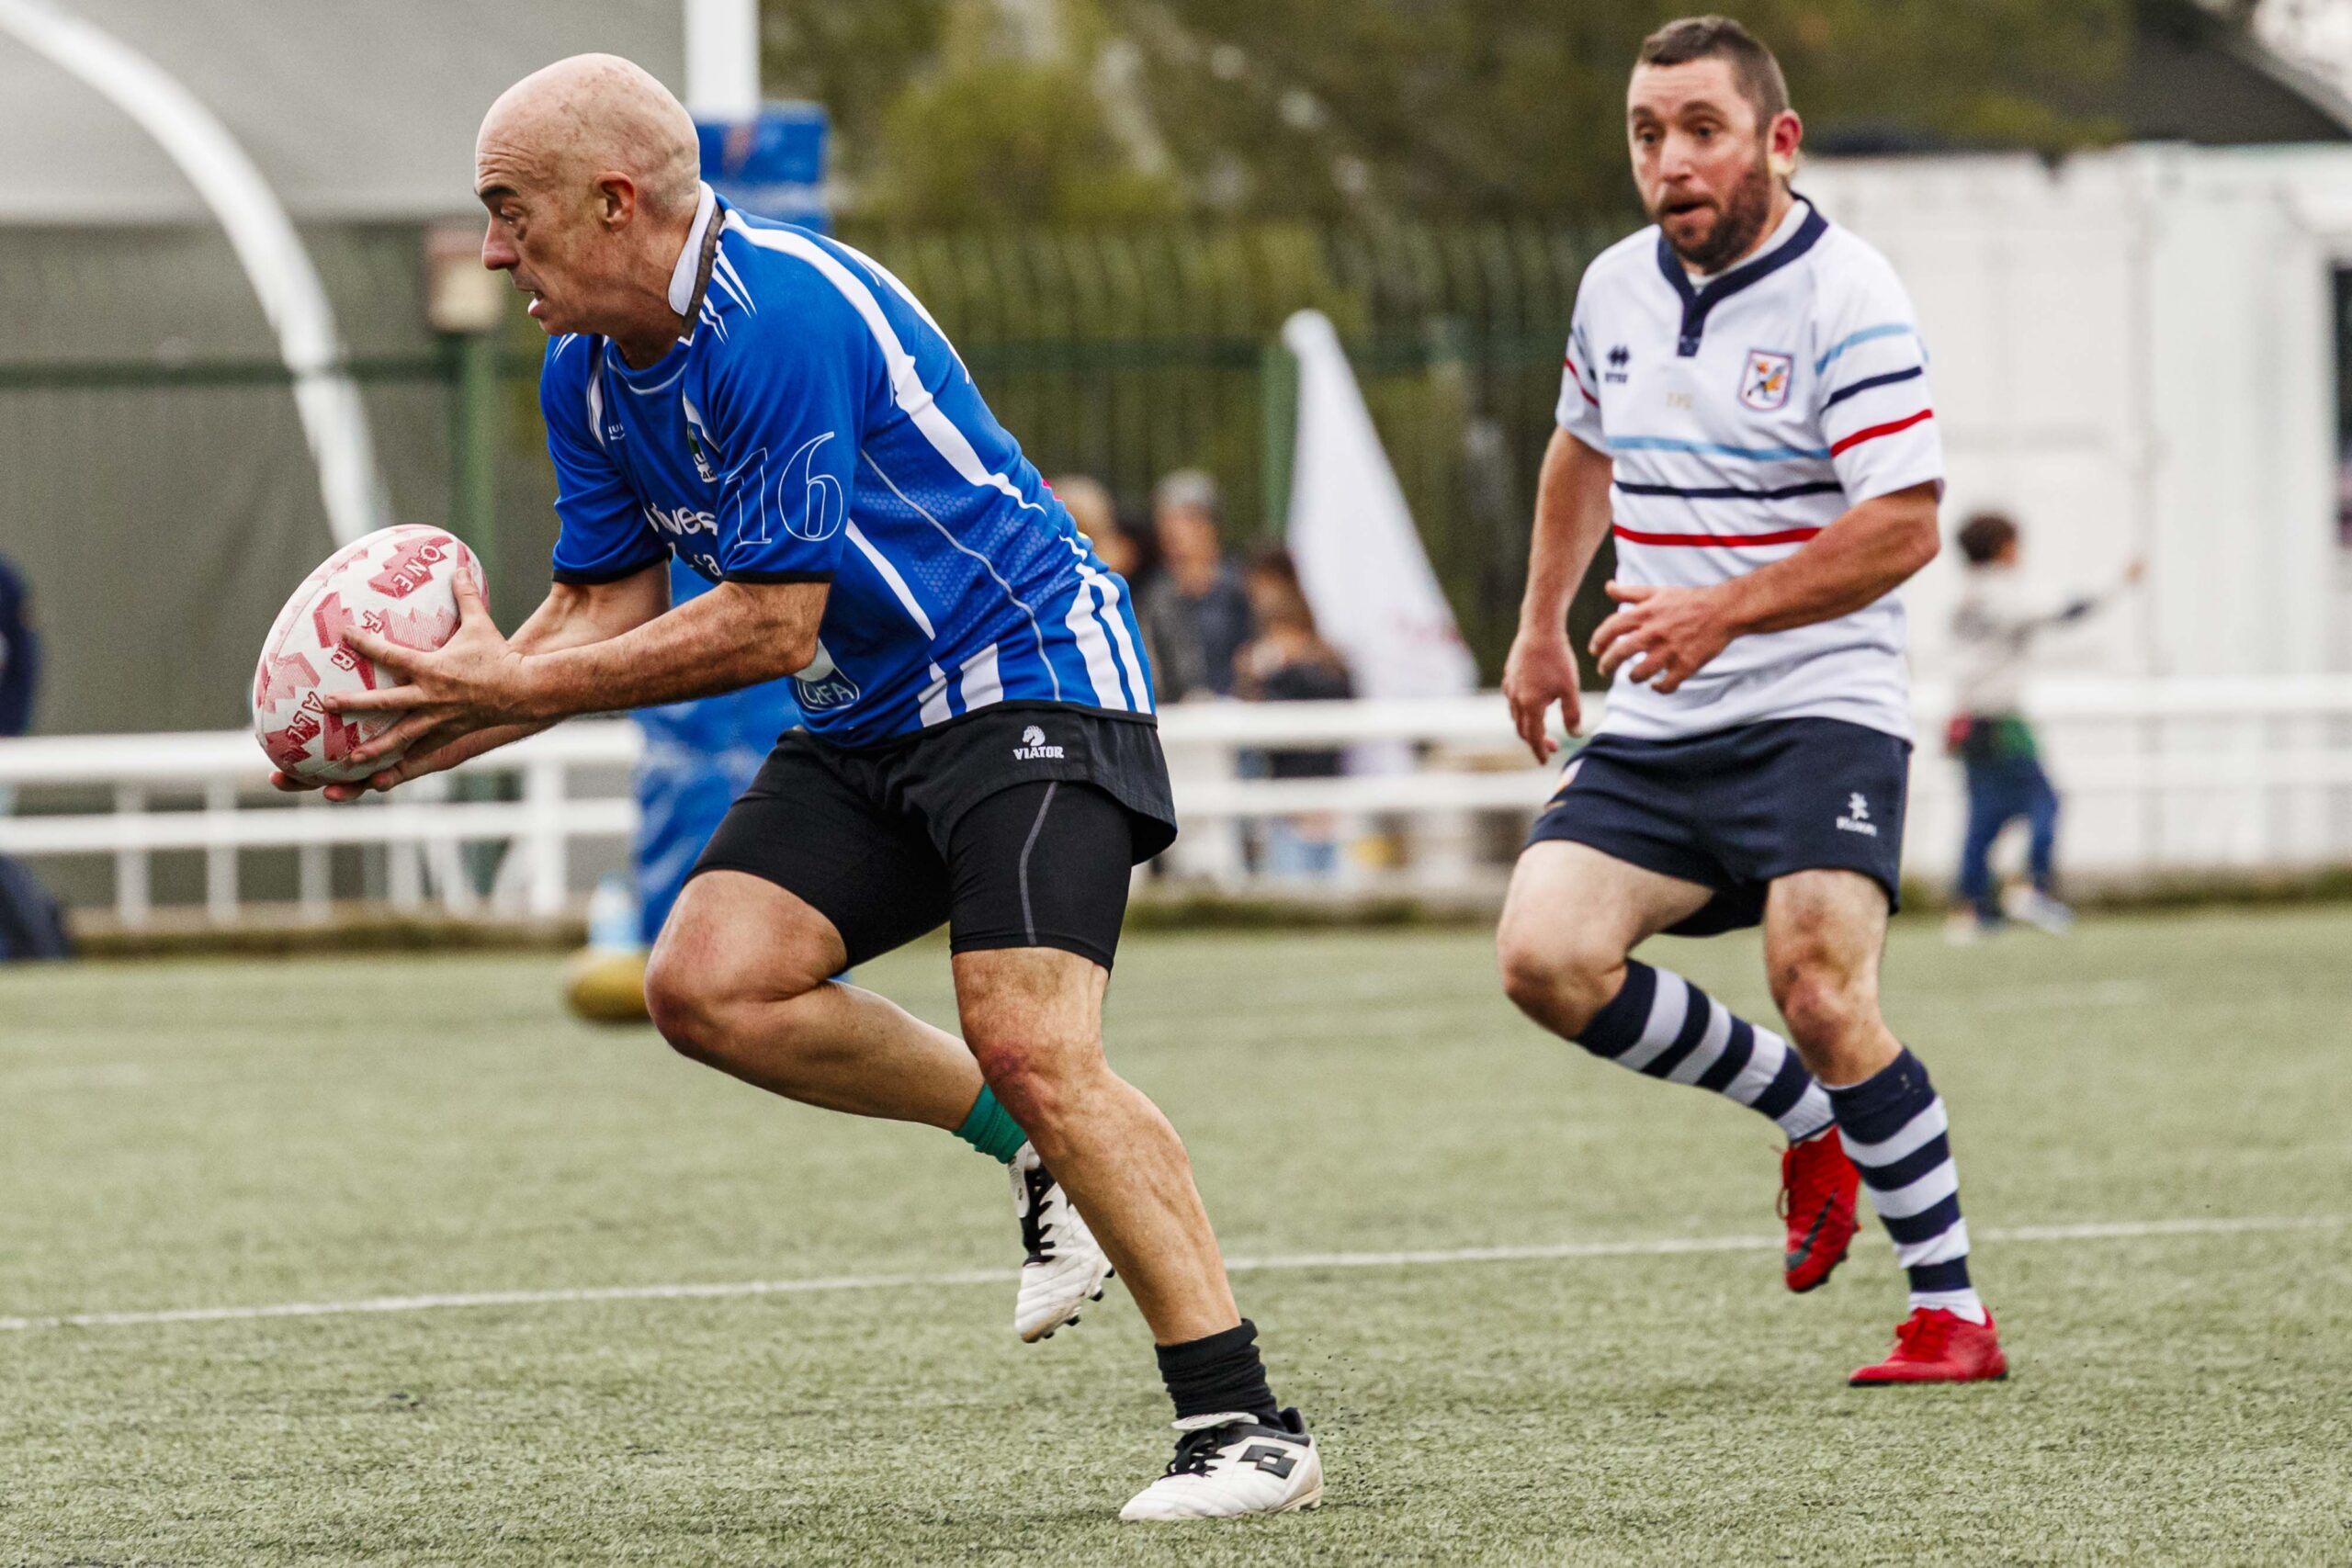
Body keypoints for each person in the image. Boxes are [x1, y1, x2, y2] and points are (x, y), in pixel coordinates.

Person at [271, 54, 1320, 1520]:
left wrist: (506, 689)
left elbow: (773, 619)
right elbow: (594, 608)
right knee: (708, 982)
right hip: (869, 712)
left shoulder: (783, 317)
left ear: (616, 201)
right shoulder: (584, 365)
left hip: (1031, 676)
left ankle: (1245, 1424)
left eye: (509, 212)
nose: (494, 249)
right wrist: (428, 722)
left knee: (1029, 1028)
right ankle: (1037, 1157)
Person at [1496, 17, 2006, 1386]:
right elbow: (1577, 452)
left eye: (1701, 130)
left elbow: (1902, 527)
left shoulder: (1850, 294)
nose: (1671, 161)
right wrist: (1543, 624)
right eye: (1648, 134)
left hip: (1818, 697)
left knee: (1821, 983)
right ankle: (1800, 1112)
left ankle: (1951, 1311)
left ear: (1776, 140)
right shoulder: (1613, 286)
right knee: (1543, 957)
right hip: (1661, 712)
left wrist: (1719, 608)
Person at [1946, 511, 2143, 941]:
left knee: (1982, 817)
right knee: (2045, 802)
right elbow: (2062, 610)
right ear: (2002, 547)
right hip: (2000, 717)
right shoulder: (2002, 595)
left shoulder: (1964, 599)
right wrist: (2117, 583)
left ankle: (1971, 908)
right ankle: (2032, 886)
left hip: (1965, 718)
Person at [1236, 547, 1352, 879]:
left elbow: (1336, 698)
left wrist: (1293, 666)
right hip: (1285, 806)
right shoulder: (1265, 675)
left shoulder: (1328, 667)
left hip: (1329, 802)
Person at [1139, 469, 1252, 702]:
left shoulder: (1242, 587)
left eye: (1186, 518)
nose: (1171, 529)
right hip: (1176, 720)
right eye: (1165, 519)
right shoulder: (1154, 596)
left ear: (1209, 524)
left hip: (1241, 716)